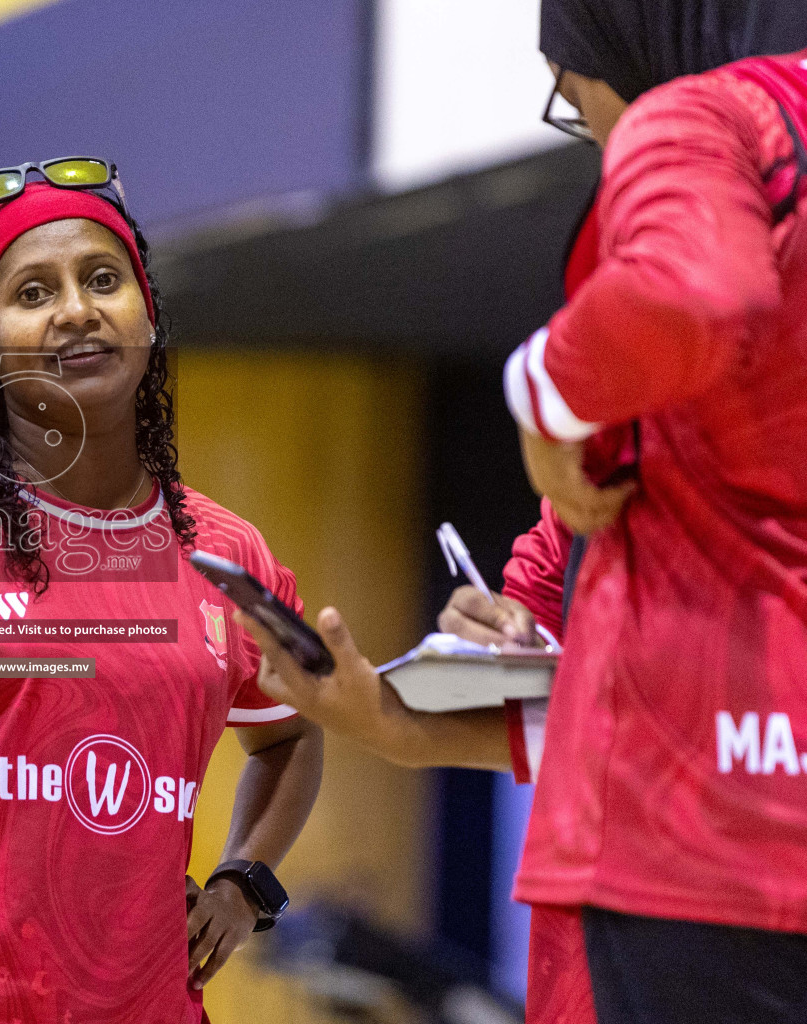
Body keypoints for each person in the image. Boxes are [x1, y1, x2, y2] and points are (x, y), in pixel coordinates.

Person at [252, 1, 807, 1021]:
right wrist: (383, 707)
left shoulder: (702, 119)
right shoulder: (648, 444)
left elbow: (697, 292)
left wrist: (539, 391)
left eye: (570, 91)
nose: (592, 132)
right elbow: (554, 709)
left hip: (699, 862)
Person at [0, 160, 325, 1023]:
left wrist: (244, 886)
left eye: (104, 280)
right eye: (33, 292)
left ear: (148, 317)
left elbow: (295, 733)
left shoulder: (226, 552)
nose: (77, 309)